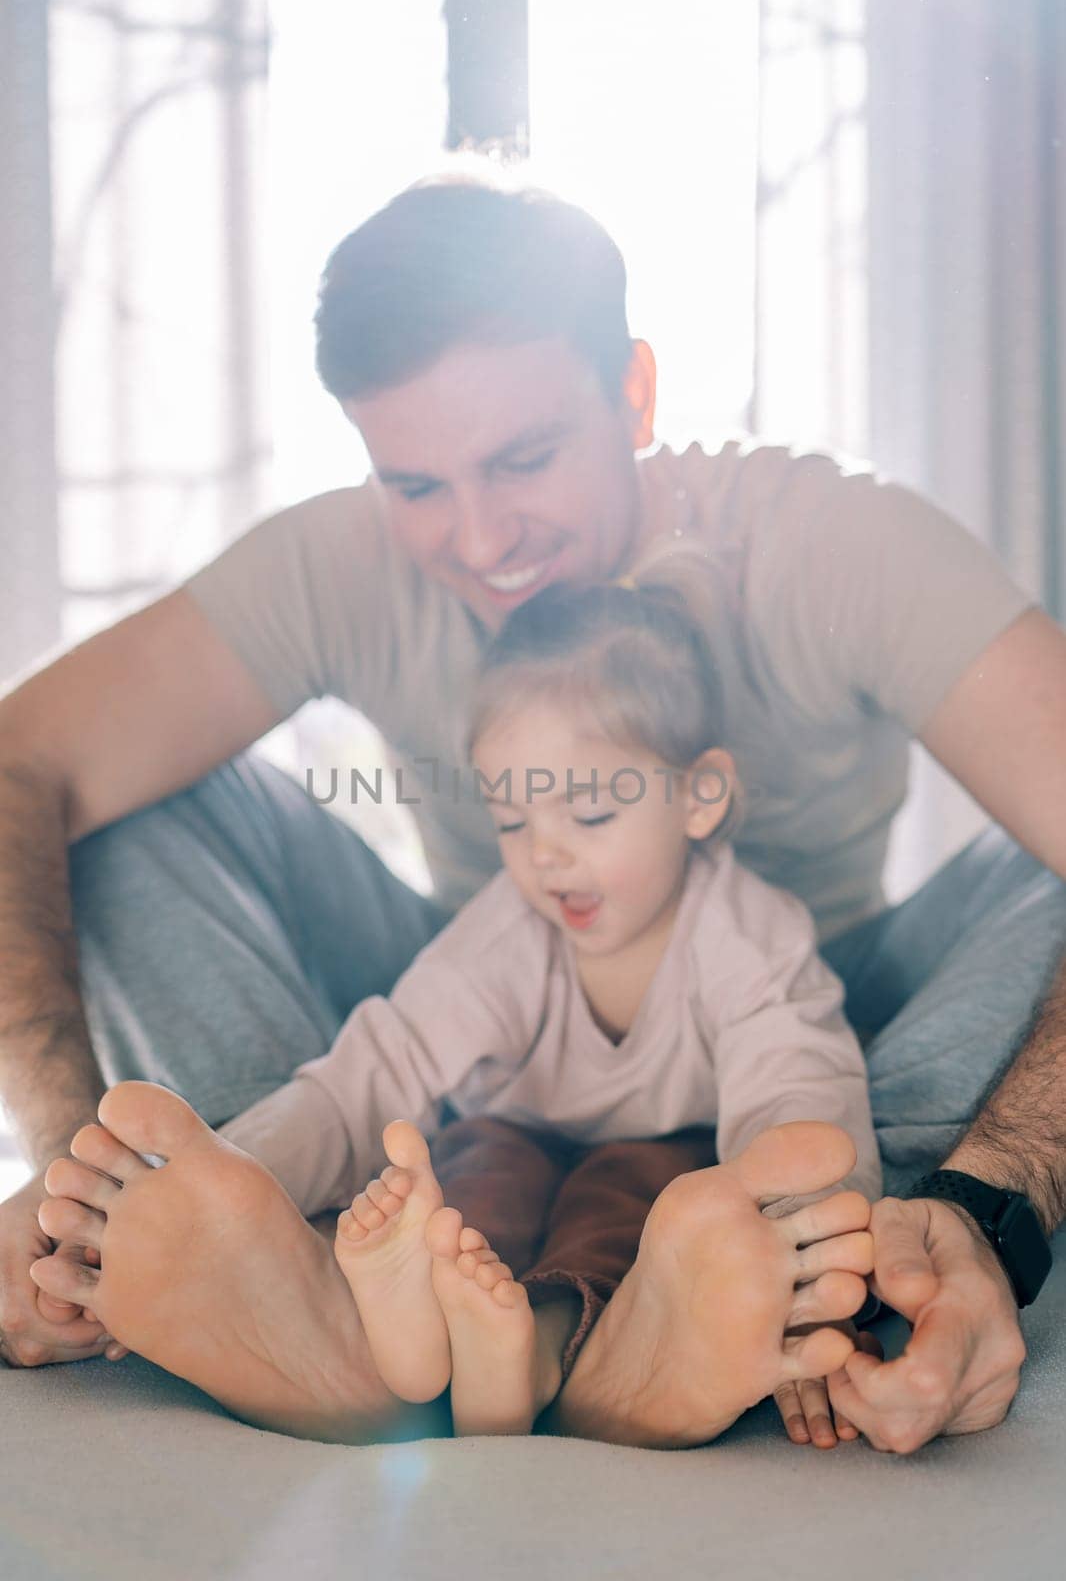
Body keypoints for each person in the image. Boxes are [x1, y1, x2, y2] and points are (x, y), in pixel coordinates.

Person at [1, 163, 1063, 1454]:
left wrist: (989, 1195)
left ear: (633, 393)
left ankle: (842, 1242)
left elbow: (794, 1061)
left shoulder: (827, 544)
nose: (480, 535)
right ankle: (238, 1221)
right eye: (417, 486)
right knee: (114, 811)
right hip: (492, 1012)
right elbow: (23, 765)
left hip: (834, 1029)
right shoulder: (345, 576)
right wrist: (75, 1178)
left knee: (906, 1009)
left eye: (524, 458)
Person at [33, 561, 883, 1444]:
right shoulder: (510, 930)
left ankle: (558, 1357)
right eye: (512, 822)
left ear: (700, 796)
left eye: (590, 815)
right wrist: (235, 1176)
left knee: (643, 1208)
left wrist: (803, 1278)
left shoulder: (750, 936)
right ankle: (383, 1344)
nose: (545, 856)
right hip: (502, 1135)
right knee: (454, 1197)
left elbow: (797, 1096)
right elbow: (372, 1074)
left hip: (661, 1164)